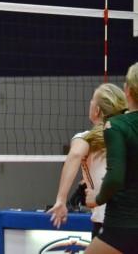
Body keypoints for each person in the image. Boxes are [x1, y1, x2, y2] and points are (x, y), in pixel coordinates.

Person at [47, 83, 127, 237]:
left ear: (97, 110)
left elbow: (75, 155)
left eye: (92, 100)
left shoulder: (86, 138)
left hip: (108, 222)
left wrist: (61, 199)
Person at [85, 62, 138, 254]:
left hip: (122, 224)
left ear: (128, 91)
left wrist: (97, 199)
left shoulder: (116, 126)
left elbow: (115, 176)